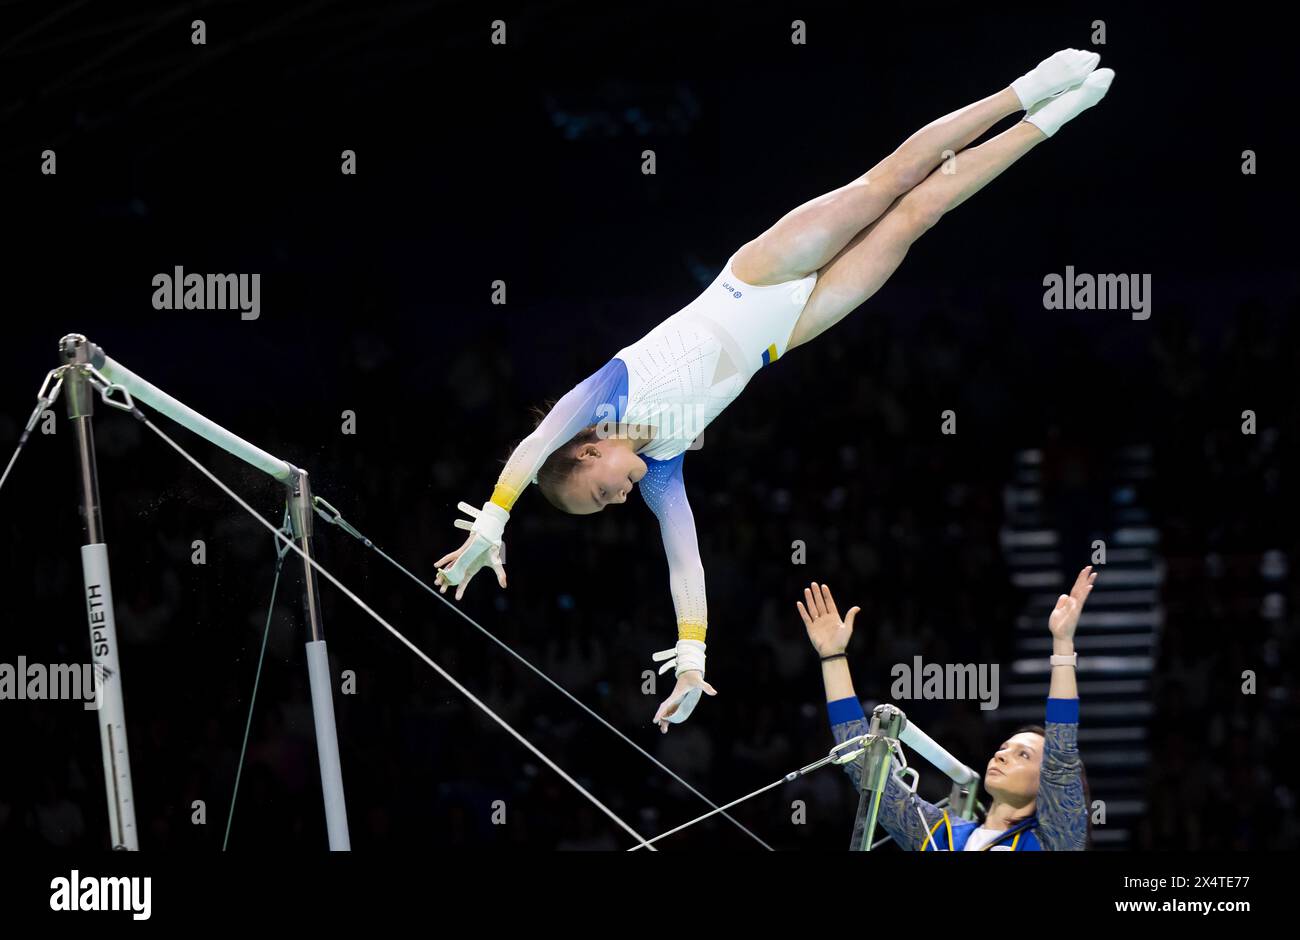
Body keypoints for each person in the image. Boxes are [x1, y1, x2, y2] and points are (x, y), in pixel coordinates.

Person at [436, 51, 1115, 732]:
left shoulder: (605, 394)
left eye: (598, 492)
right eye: (609, 507)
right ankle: (1056, 118)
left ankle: (1023, 90)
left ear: (587, 452)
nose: (616, 500)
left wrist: (494, 518)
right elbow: (685, 564)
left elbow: (536, 440)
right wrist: (694, 656)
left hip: (755, 277)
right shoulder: (663, 469)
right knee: (915, 217)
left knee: (887, 183)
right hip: (789, 330)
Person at [798, 567, 1095, 850]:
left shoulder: (1055, 841)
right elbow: (862, 761)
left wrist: (1063, 644)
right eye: (1005, 747)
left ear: (1046, 784)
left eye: (1023, 755)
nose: (1002, 755)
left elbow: (1061, 754)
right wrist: (834, 656)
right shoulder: (935, 833)